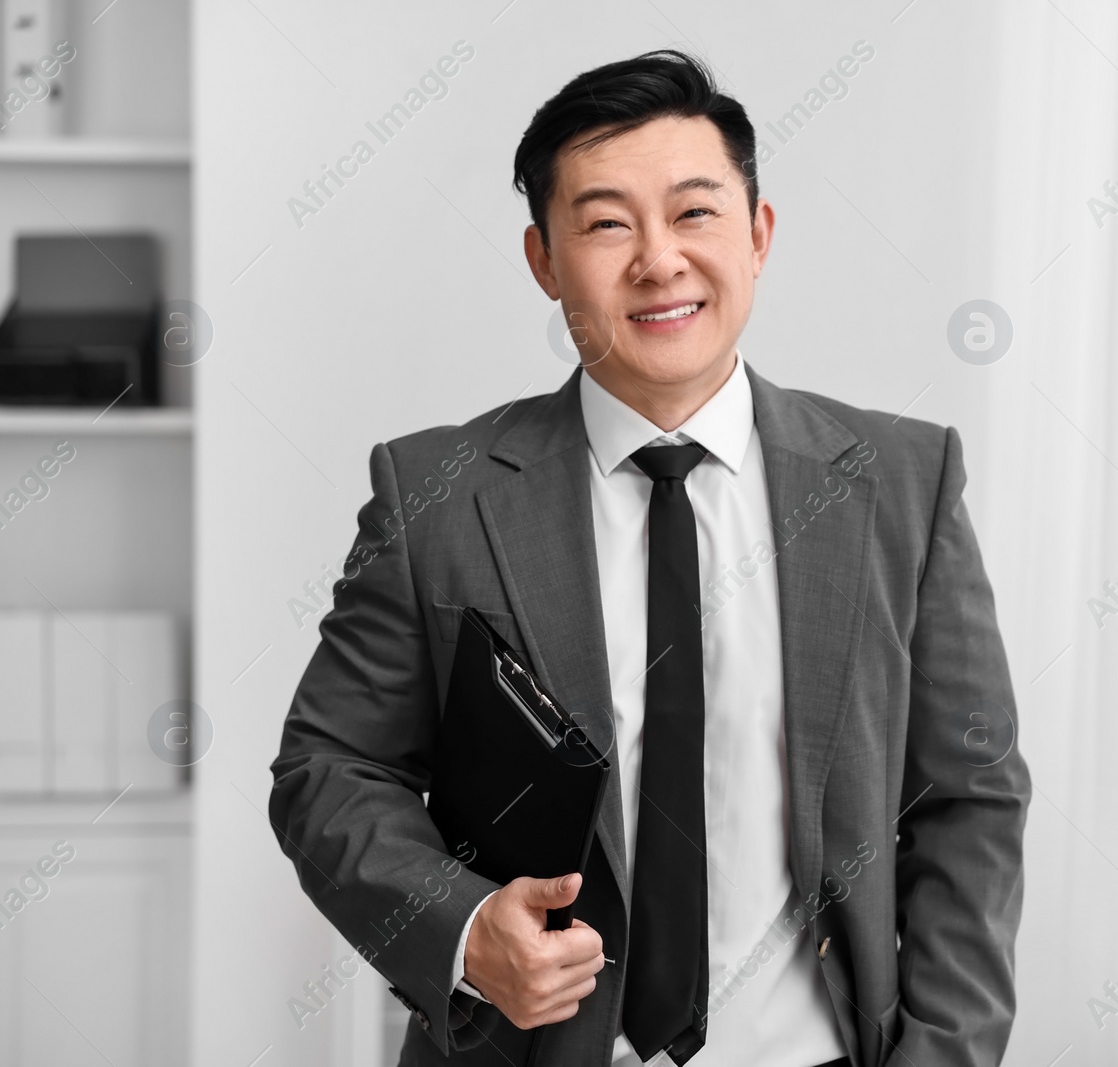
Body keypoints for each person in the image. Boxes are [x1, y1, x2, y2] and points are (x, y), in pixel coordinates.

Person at [268, 48, 1029, 1067]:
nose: (658, 259)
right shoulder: (437, 495)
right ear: (544, 259)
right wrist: (461, 925)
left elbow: (965, 798)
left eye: (695, 213)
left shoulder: (900, 481)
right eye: (607, 223)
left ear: (758, 236)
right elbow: (327, 768)